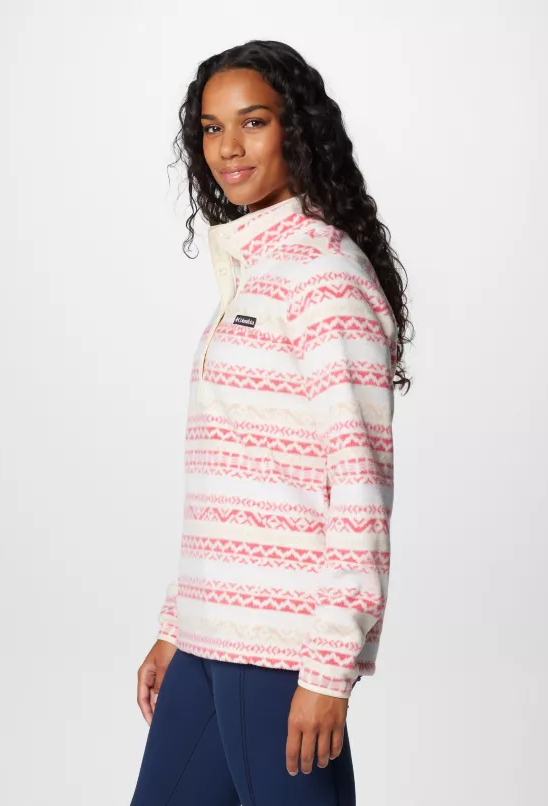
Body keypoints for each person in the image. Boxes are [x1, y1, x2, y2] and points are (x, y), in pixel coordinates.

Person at [129, 39, 412, 806]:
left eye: (252, 122)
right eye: (211, 129)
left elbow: (359, 488)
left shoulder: (325, 275)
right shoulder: (254, 273)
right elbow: (234, 478)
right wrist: (177, 622)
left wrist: (329, 670)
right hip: (208, 641)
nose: (229, 147)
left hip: (281, 651)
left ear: (297, 128)